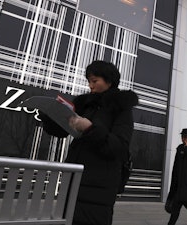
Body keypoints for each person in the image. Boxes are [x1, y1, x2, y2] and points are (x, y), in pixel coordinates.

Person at [40, 60, 138, 225]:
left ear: (109, 81)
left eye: (95, 81)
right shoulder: (85, 105)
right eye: (89, 81)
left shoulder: (121, 107)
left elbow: (119, 147)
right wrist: (50, 116)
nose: (90, 85)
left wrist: (90, 129)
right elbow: (62, 131)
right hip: (74, 179)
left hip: (99, 186)